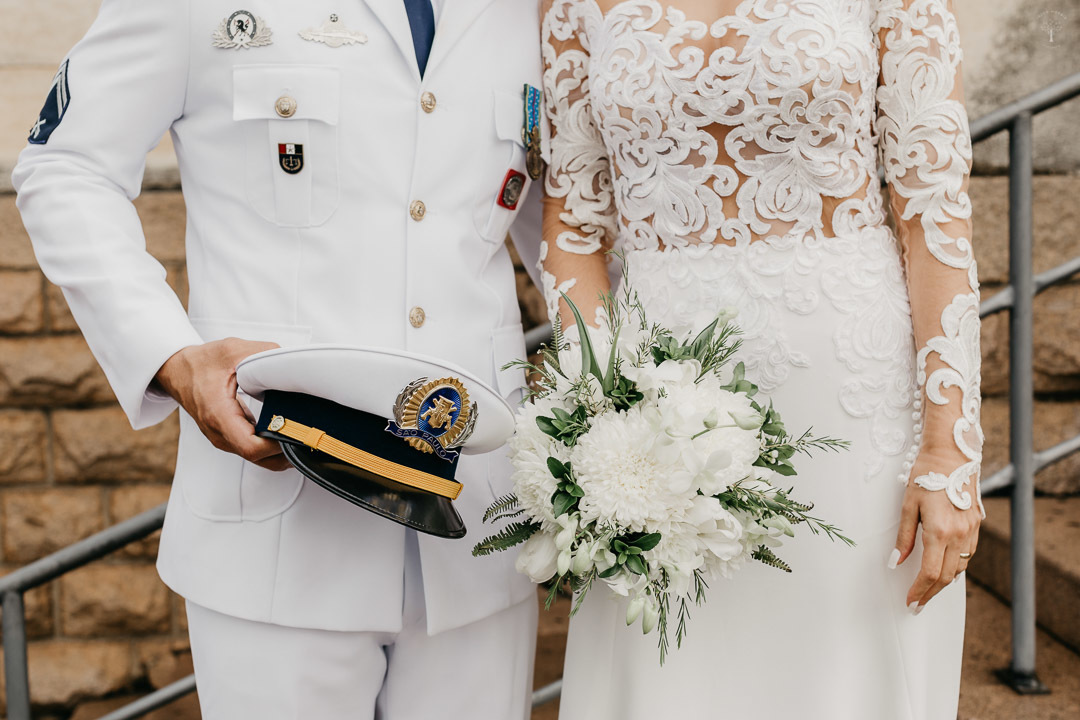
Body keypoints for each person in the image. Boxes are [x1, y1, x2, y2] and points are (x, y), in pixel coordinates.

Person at [13, 1, 544, 717]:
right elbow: (67, 166)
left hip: (481, 523)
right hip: (278, 525)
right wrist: (172, 356)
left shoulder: (532, 10)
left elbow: (569, 228)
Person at [538, 0, 982, 717]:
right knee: (667, 677)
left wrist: (949, 445)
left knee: (845, 672)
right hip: (651, 425)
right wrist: (600, 411)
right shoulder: (569, 7)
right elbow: (574, 223)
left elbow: (934, 212)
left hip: (853, 406)